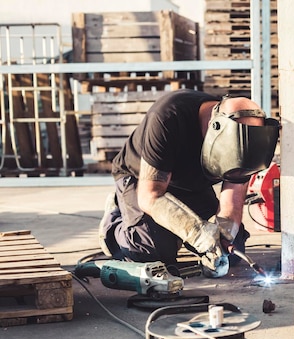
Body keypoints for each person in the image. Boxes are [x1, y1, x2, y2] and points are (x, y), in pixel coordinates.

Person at [98, 89, 280, 277]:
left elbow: (232, 197)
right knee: (150, 253)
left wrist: (223, 234)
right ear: (213, 127)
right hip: (141, 181)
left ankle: (173, 233)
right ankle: (114, 224)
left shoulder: (245, 141)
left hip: (191, 186)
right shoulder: (167, 117)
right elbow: (150, 196)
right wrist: (197, 234)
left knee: (232, 253)